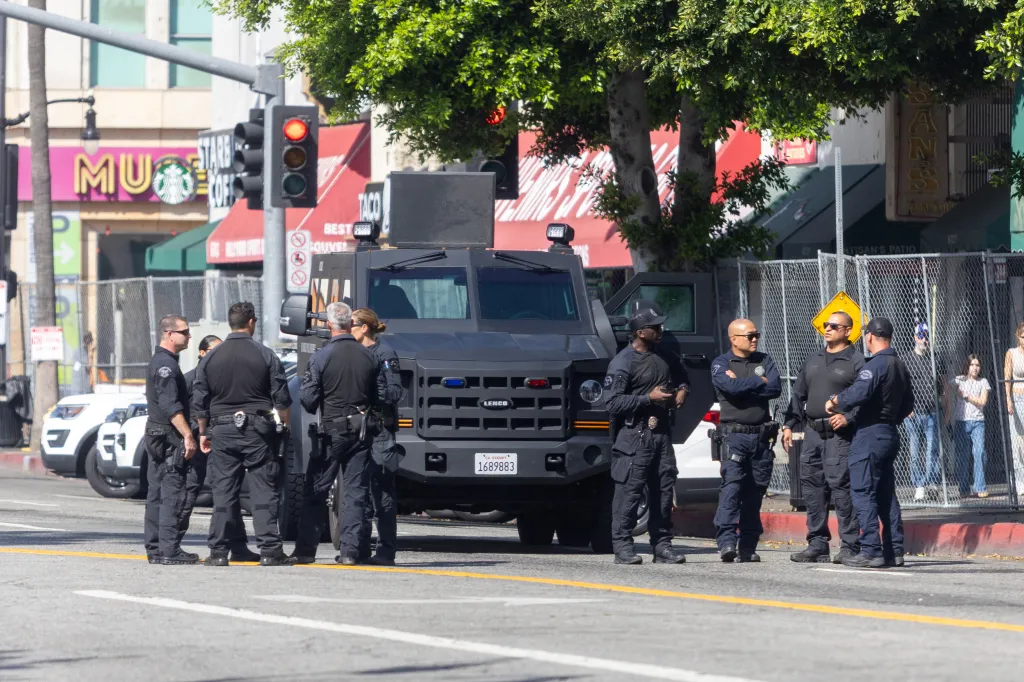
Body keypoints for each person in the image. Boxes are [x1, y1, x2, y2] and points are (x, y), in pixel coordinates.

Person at [192, 302, 295, 567]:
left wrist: (203, 432)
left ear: (230, 323)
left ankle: (218, 553)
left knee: (223, 492)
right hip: (257, 429)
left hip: (222, 429)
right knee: (263, 491)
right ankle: (270, 551)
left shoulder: (212, 357)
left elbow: (200, 400)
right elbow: (282, 398)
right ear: (252, 322)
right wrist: (284, 425)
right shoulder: (265, 354)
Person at [291, 301, 378, 565]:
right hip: (361, 430)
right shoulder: (370, 355)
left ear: (329, 325)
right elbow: (380, 394)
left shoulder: (322, 355)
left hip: (331, 430)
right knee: (356, 493)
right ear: (351, 324)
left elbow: (306, 399)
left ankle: (306, 551)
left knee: (316, 490)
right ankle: (352, 552)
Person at [603, 300, 689, 565]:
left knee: (663, 491)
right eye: (654, 326)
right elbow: (612, 402)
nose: (661, 329)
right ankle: (623, 547)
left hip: (661, 435)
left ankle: (662, 546)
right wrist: (647, 398)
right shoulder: (623, 362)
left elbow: (681, 375)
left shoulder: (665, 355)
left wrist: (682, 391)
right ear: (640, 331)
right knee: (629, 493)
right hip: (634, 437)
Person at [826, 317, 914, 569]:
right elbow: (909, 403)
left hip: (869, 435)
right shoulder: (899, 364)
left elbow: (859, 392)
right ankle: (894, 550)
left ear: (870, 337)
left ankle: (871, 550)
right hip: (889, 433)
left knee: (863, 492)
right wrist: (890, 418)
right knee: (886, 495)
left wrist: (835, 401)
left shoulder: (875, 365)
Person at [783, 311, 863, 564]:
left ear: (847, 331)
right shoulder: (813, 360)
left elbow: (867, 396)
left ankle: (850, 545)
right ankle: (817, 544)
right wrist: (788, 424)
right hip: (812, 433)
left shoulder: (856, 361)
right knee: (812, 488)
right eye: (825, 325)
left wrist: (848, 417)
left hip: (839, 436)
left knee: (840, 487)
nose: (827, 329)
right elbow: (798, 395)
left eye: (833, 326)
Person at [178, 335, 260, 563]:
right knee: (189, 494)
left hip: (218, 442)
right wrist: (192, 434)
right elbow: (177, 411)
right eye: (214, 350)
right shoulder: (190, 379)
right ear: (202, 353)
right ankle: (171, 543)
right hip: (197, 443)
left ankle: (238, 546)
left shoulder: (221, 376)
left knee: (227, 496)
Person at [710, 318, 781, 563]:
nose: (754, 339)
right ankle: (727, 542)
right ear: (734, 339)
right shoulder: (722, 363)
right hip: (734, 436)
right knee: (732, 488)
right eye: (749, 335)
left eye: (756, 335)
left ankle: (748, 546)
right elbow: (728, 387)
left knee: (755, 491)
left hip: (760, 437)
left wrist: (745, 385)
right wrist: (757, 382)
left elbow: (775, 388)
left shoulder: (764, 360)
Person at [142, 315, 198, 565]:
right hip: (167, 436)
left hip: (157, 434)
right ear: (169, 334)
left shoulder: (164, 361)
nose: (189, 336)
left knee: (156, 492)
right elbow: (170, 405)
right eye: (184, 332)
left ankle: (155, 548)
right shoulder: (165, 365)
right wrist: (187, 435)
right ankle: (168, 550)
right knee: (172, 492)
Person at [352, 308, 404, 566]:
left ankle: (385, 550)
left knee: (382, 493)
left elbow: (395, 392)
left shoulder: (384, 354)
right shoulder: (353, 353)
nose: (347, 328)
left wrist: (367, 396)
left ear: (364, 328)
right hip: (358, 431)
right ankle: (359, 548)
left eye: (351, 324)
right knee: (357, 493)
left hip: (380, 431)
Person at [903, 323, 941, 501]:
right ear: (915, 338)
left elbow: (943, 384)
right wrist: (905, 408)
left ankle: (932, 482)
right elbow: (900, 386)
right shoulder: (906, 360)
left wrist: (945, 405)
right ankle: (919, 484)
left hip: (932, 411)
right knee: (915, 450)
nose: (924, 339)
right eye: (921, 336)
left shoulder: (935, 358)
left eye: (926, 336)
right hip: (913, 412)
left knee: (932, 449)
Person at [949, 354, 990, 499]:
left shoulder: (983, 382)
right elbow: (947, 385)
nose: (975, 368)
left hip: (978, 422)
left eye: (977, 365)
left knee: (979, 453)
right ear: (967, 365)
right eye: (972, 364)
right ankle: (964, 487)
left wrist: (966, 396)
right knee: (963, 455)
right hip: (962, 421)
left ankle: (979, 487)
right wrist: (948, 396)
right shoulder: (960, 380)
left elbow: (982, 401)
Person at [1003, 322, 1024, 499]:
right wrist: (1008, 400)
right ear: (1018, 336)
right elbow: (1007, 378)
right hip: (1017, 399)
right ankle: (1019, 481)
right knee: (1018, 441)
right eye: (1023, 335)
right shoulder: (1012, 353)